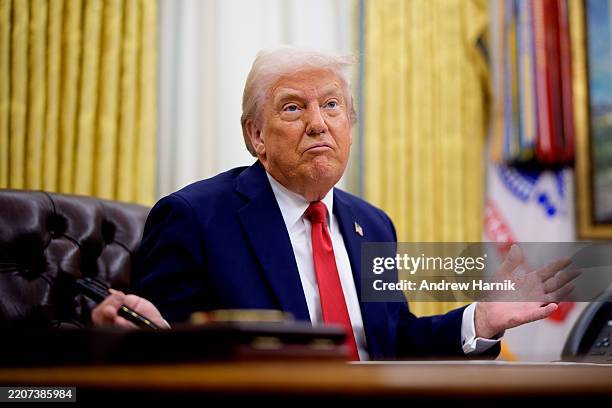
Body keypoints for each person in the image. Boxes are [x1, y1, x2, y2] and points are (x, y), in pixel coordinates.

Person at [92, 47, 574, 360]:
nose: (318, 124)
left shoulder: (373, 223)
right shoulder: (195, 217)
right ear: (255, 134)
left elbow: (395, 340)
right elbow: (165, 352)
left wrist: (481, 319)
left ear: (350, 124)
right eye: (293, 107)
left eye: (332, 105)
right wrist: (136, 340)